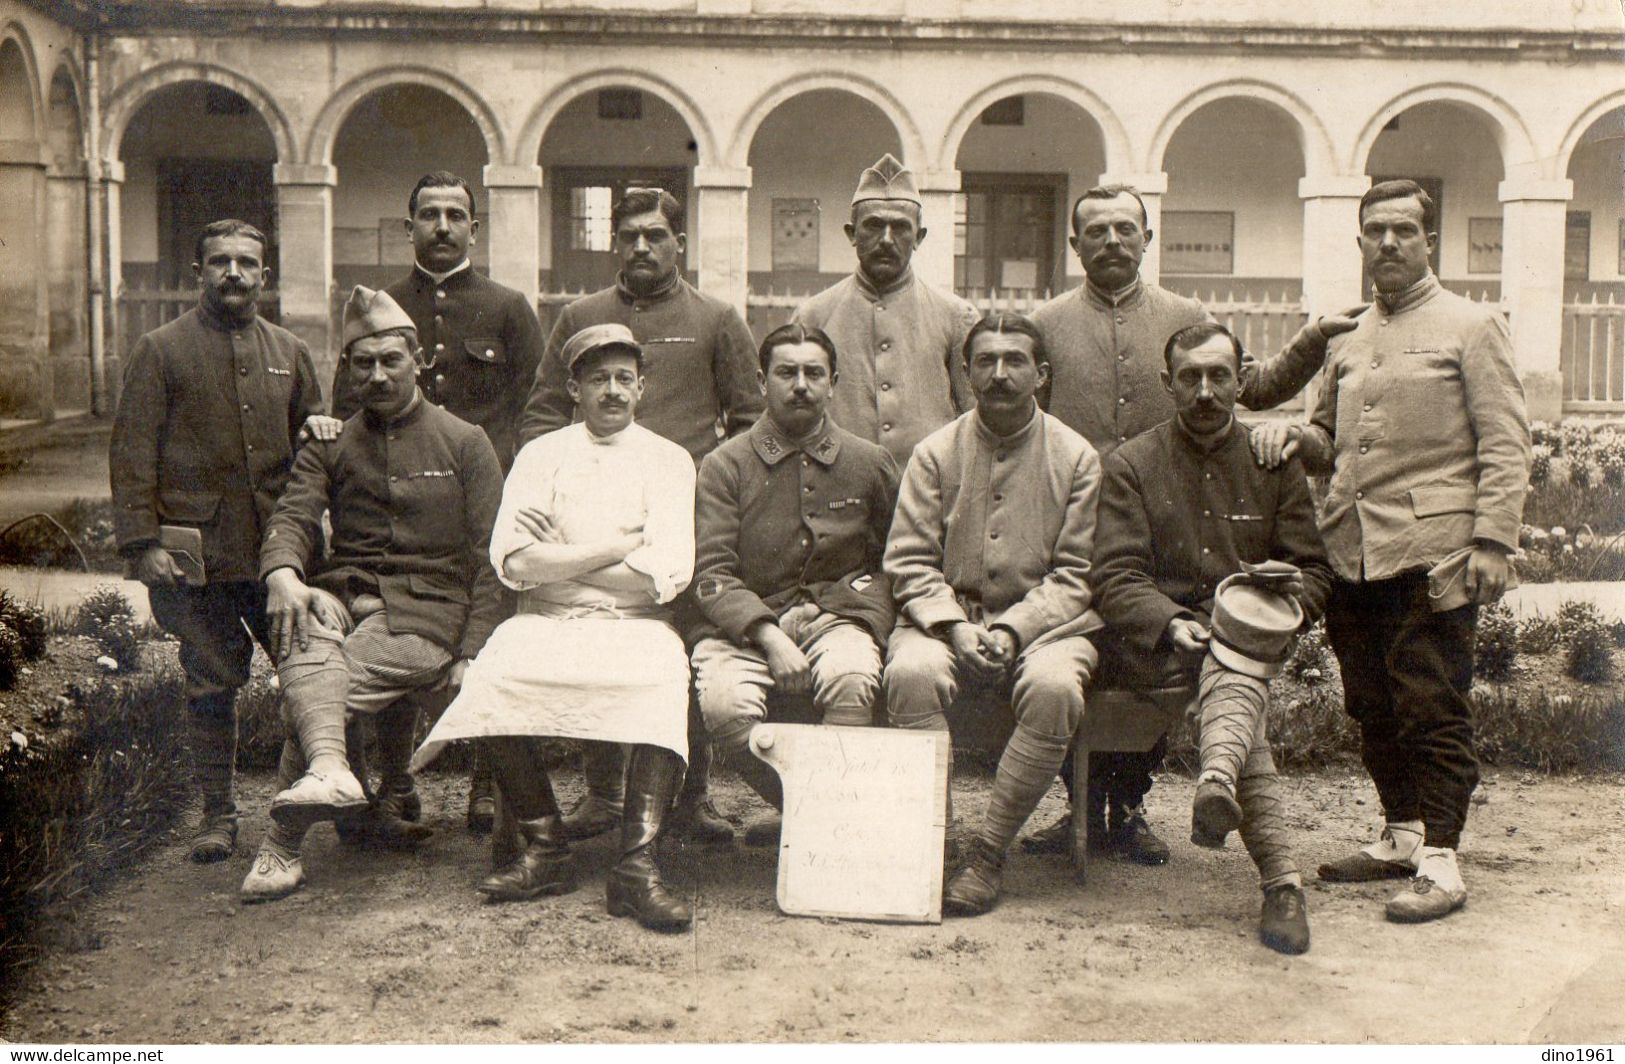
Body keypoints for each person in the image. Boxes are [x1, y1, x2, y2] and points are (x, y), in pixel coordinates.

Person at [1024, 183, 1360, 865]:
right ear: (1074, 244)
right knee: (1090, 661)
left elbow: (1251, 386)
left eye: (1126, 229)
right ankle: (1084, 807)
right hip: (1068, 521)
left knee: (1159, 650)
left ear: (1147, 239)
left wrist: (1312, 343)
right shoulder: (1046, 323)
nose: (1112, 242)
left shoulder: (1185, 315)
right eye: (1096, 231)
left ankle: (1131, 807)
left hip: (1170, 509)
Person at [1250, 179, 1530, 923]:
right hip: (1350, 548)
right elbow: (1325, 441)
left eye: (1404, 229)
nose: (1389, 243)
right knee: (1369, 701)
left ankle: (1442, 859)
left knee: (1430, 702)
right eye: (1375, 231)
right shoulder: (1347, 335)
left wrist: (1493, 539)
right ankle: (1401, 833)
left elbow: (1505, 442)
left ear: (1427, 238)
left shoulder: (1473, 325)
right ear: (1360, 241)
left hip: (1431, 549)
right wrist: (1290, 436)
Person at [416, 323, 699, 931]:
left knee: (660, 681)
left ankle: (636, 866)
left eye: (625, 378)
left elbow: (666, 574)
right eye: (599, 379)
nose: (613, 391)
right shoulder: (541, 456)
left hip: (635, 624)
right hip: (544, 618)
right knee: (493, 677)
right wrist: (619, 547)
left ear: (643, 387)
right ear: (574, 388)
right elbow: (515, 564)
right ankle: (547, 849)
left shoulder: (670, 461)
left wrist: (567, 558)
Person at [240, 286, 505, 901]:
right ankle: (339, 781)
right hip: (346, 595)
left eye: (391, 360)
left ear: (419, 362)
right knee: (302, 624)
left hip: (428, 614)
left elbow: (492, 558)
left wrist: (471, 649)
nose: (378, 375)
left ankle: (281, 844)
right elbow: (295, 515)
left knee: (321, 690)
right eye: (364, 363)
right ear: (349, 369)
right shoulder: (331, 441)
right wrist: (283, 572)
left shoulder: (465, 441)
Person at [518, 187, 760, 847]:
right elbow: (542, 410)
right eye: (629, 236)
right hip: (595, 515)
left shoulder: (715, 318)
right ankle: (603, 793)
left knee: (684, 646)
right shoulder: (579, 316)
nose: (642, 248)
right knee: (605, 635)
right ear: (614, 242)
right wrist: (544, 486)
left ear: (678, 242)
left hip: (690, 510)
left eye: (656, 235)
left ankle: (692, 796)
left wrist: (719, 491)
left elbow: (746, 420)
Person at [1090, 322, 1334, 953]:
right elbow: (1114, 576)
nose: (1205, 391)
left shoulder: (1271, 461)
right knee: (1238, 687)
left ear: (1239, 381)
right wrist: (1169, 622)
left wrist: (1277, 610)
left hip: (1245, 637)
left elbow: (1314, 572)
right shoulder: (1132, 464)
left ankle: (1227, 792)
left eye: (1219, 375)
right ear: (1167, 384)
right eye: (1190, 377)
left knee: (1237, 663)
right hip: (1152, 647)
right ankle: (1279, 880)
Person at [314, 171, 544, 835]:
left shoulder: (506, 307)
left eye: (455, 216)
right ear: (408, 224)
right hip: (399, 512)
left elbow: (538, 406)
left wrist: (516, 482)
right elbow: (347, 408)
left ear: (476, 228)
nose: (442, 227)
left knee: (490, 634)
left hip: (484, 496)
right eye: (429, 215)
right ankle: (393, 780)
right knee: (391, 624)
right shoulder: (380, 307)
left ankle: (488, 782)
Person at [109, 218, 323, 864]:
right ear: (198, 271)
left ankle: (319, 800)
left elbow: (315, 453)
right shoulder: (161, 349)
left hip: (275, 554)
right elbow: (132, 451)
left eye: (246, 263)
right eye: (219, 262)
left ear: (267, 274)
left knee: (310, 671)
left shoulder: (291, 350)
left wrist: (309, 536)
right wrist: (142, 543)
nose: (234, 273)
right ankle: (218, 812)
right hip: (194, 558)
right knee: (209, 680)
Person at [883, 312, 1103, 916]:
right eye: (986, 361)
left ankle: (988, 853)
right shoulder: (934, 453)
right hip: (943, 618)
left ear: (1042, 374)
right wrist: (955, 626)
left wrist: (1011, 629)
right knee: (909, 674)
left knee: (1057, 687)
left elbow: (1076, 574)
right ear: (966, 372)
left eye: (1015, 362)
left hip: (1048, 625)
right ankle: (936, 842)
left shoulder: (1076, 457)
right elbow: (907, 560)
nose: (1000, 375)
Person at [690, 323, 900, 841]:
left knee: (852, 680)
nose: (800, 384)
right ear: (762, 382)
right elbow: (711, 571)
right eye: (787, 373)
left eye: (814, 373)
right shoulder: (724, 465)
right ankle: (811, 809)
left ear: (834, 382)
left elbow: (892, 561)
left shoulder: (869, 462)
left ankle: (821, 833)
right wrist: (768, 633)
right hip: (744, 628)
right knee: (724, 707)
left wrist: (838, 608)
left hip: (839, 619)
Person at [791, 153, 979, 469]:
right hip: (839, 486)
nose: (887, 240)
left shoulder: (956, 317)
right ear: (852, 234)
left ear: (919, 237)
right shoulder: (813, 317)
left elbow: (974, 416)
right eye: (874, 226)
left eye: (901, 228)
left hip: (928, 490)